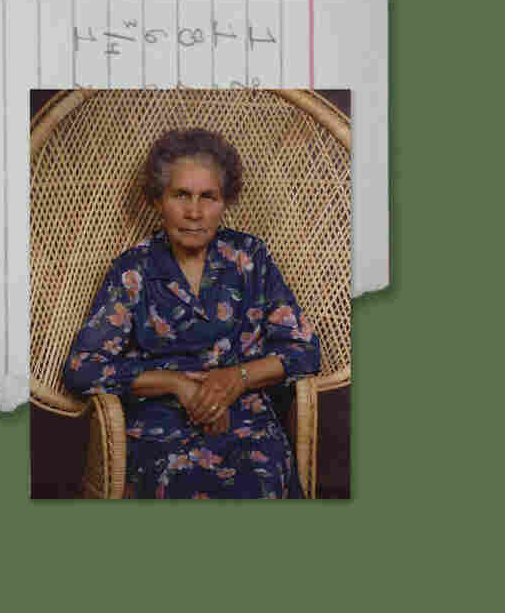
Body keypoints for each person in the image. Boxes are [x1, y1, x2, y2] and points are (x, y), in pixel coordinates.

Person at [63, 128, 320, 499]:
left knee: (261, 479)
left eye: (208, 197)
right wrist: (177, 384)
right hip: (160, 426)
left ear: (225, 201)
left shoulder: (250, 257)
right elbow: (82, 368)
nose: (194, 213)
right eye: (181, 195)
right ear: (157, 199)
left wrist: (237, 378)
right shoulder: (133, 269)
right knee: (180, 482)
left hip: (246, 419)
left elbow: (304, 350)